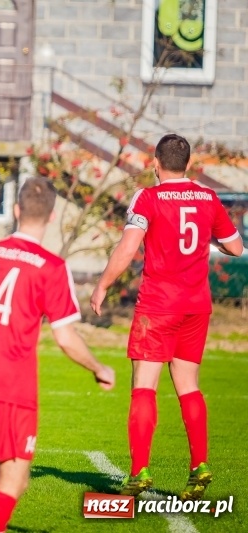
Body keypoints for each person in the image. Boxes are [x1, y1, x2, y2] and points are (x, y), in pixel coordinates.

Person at [0, 177, 115, 533]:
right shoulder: (50, 267)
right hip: (10, 381)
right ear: (51, 217)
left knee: (0, 473)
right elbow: (65, 338)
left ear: (16, 211)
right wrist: (99, 366)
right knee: (13, 484)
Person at [90, 133, 243, 500]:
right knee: (188, 384)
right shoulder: (208, 197)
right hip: (196, 307)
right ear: (188, 164)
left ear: (155, 163)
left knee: (144, 385)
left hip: (158, 306)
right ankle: (199, 465)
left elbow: (128, 247)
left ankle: (140, 471)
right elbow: (236, 247)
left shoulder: (149, 197)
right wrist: (212, 239)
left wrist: (102, 285)